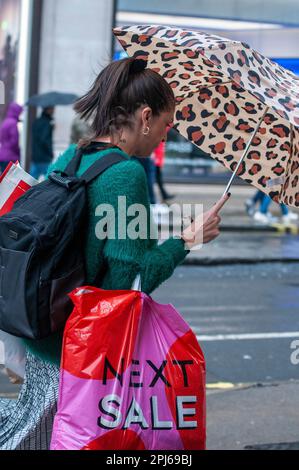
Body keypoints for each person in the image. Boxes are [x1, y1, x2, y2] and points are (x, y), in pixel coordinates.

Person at [0, 57, 229, 449]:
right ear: (144, 116)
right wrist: (188, 239)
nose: (165, 134)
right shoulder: (125, 175)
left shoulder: (72, 156)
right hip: (79, 357)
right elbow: (130, 284)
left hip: (42, 334)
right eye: (166, 122)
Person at [30, 107, 55, 179]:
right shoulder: (47, 123)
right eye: (52, 108)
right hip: (44, 156)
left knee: (31, 181)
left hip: (35, 155)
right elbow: (45, 140)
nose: (53, 110)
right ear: (48, 110)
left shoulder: (36, 121)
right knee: (49, 181)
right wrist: (50, 152)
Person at [0, 102, 23, 174]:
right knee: (10, 181)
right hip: (11, 156)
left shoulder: (5, 122)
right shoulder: (13, 123)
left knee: (3, 179)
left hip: (2, 155)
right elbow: (15, 141)